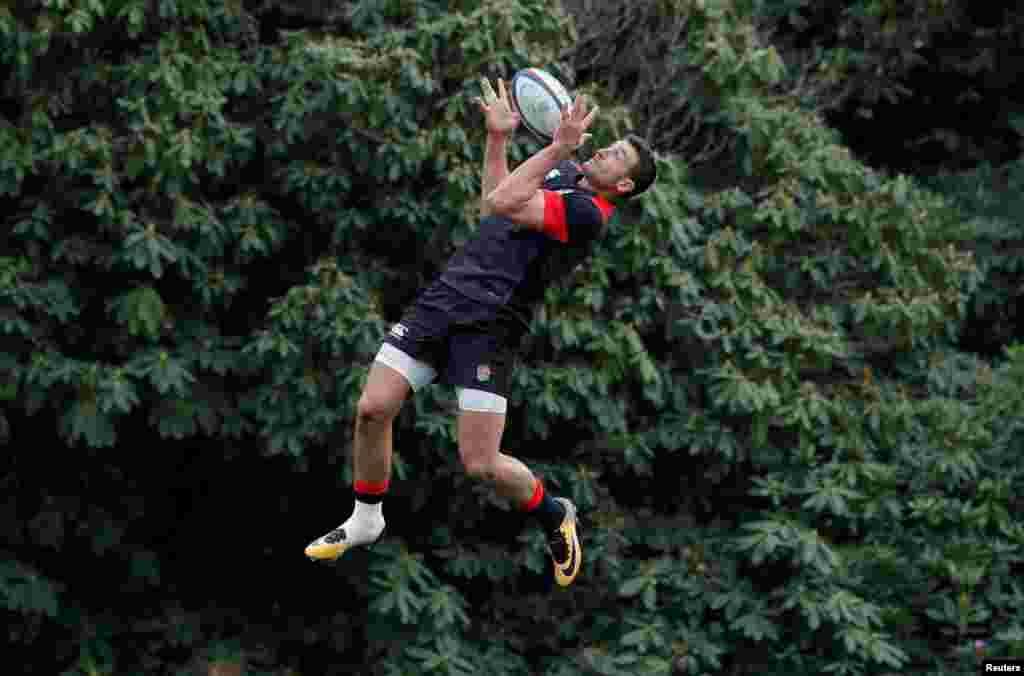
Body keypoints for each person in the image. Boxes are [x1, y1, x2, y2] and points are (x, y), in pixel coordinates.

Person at [305, 76, 657, 587]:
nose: (603, 151)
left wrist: (556, 147)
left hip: (490, 327)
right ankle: (366, 519)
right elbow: (494, 197)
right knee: (372, 408)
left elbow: (504, 203)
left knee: (480, 463)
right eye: (609, 145)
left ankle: (552, 511)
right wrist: (498, 138)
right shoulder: (561, 171)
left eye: (616, 156)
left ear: (622, 186)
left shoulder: (588, 214)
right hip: (444, 300)